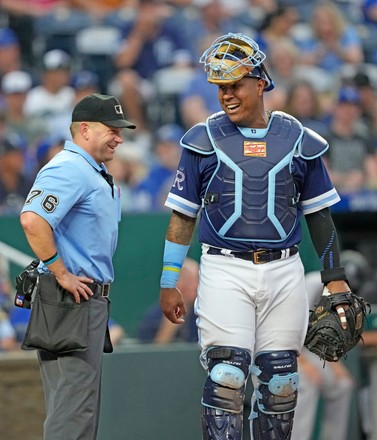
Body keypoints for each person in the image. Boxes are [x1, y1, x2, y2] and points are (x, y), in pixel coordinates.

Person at [158, 32, 353, 440]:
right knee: (227, 375)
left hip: (284, 270)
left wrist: (334, 279)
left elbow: (319, 216)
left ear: (260, 82)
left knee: (282, 382)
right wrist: (169, 279)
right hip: (224, 267)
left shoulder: (299, 140)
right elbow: (182, 216)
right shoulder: (202, 140)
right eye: (221, 88)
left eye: (234, 85)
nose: (226, 95)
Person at [19, 93, 135, 439]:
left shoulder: (90, 169)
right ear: (84, 129)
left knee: (76, 406)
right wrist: (61, 272)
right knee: (73, 408)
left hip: (79, 300)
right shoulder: (69, 167)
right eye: (111, 128)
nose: (119, 136)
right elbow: (32, 221)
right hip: (70, 298)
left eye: (121, 129)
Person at [291, 271, 355, 440]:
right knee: (306, 383)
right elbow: (288, 327)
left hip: (306, 349)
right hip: (282, 347)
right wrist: (303, 363)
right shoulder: (310, 286)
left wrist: (335, 364)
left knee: (343, 384)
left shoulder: (340, 299)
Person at [138, 257, 199, 343]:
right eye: (191, 280)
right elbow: (153, 353)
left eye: (198, 280)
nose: (197, 286)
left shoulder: (201, 313)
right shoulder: (153, 317)